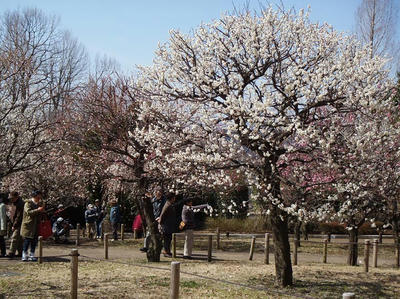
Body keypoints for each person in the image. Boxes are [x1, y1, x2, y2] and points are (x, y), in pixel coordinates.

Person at [20, 190, 45, 261]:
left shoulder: (40, 203)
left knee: (34, 241)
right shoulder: (28, 203)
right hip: (28, 225)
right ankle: (24, 255)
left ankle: (32, 255)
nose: (40, 197)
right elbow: (29, 212)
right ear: (35, 195)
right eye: (39, 195)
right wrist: (38, 210)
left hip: (36, 225)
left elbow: (41, 213)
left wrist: (42, 210)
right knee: (27, 241)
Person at [159, 192, 177, 257]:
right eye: (174, 197)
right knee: (166, 239)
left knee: (169, 239)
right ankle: (165, 251)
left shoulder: (169, 204)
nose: (175, 198)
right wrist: (161, 223)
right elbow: (162, 215)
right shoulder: (168, 205)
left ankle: (168, 251)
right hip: (166, 225)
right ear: (172, 198)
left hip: (169, 225)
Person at [6, 191, 24, 258]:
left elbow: (19, 216)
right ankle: (21, 252)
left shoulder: (20, 204)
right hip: (13, 222)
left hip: (19, 223)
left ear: (16, 197)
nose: (11, 199)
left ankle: (11, 253)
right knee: (19, 239)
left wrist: (14, 225)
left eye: (12, 198)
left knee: (14, 238)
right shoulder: (13, 203)